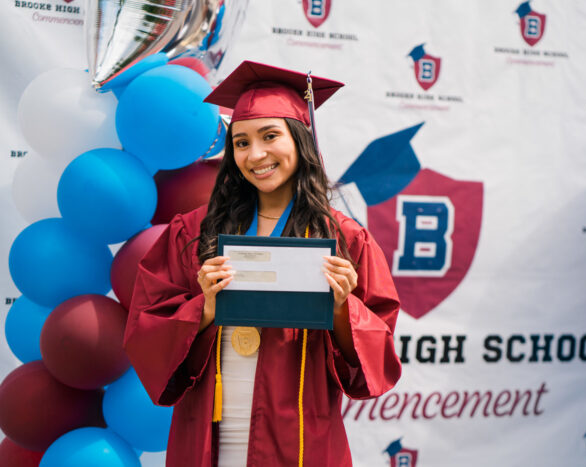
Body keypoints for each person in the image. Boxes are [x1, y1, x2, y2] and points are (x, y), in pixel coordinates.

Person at [123, 61, 402, 467]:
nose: (255, 155)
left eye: (270, 136)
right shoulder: (193, 232)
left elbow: (378, 355)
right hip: (210, 433)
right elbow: (146, 330)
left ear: (301, 141)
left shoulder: (344, 239)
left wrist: (343, 309)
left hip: (298, 439)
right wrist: (204, 309)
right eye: (241, 142)